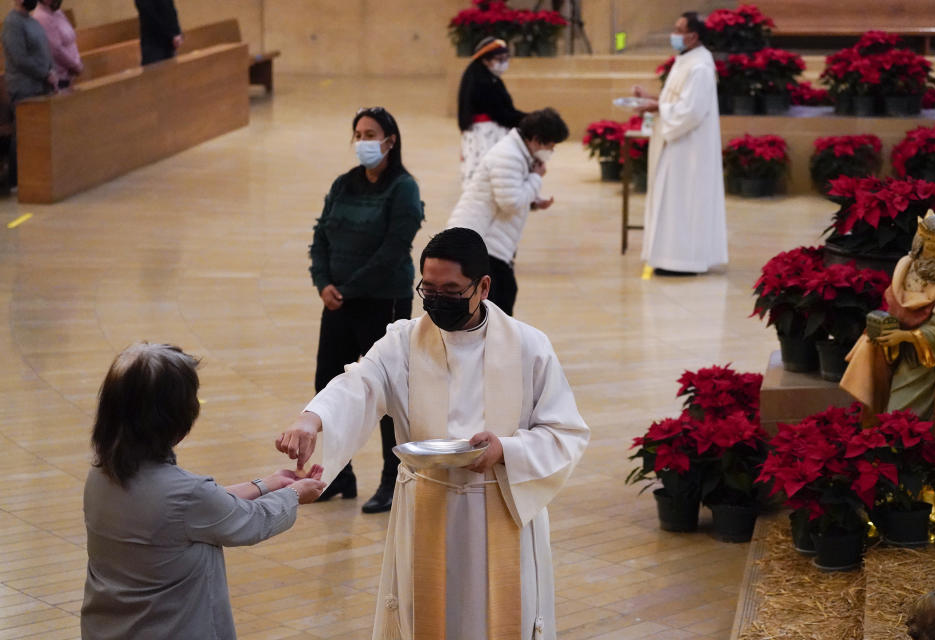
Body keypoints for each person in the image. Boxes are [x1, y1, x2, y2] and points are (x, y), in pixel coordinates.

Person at [277, 227, 590, 640]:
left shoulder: (529, 346)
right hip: (426, 503)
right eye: (429, 289)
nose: (438, 300)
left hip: (500, 505)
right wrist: (312, 419)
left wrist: (507, 450)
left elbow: (564, 431)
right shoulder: (404, 341)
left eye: (452, 290)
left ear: (483, 286)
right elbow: (361, 383)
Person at [81, 343, 327, 640]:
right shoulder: (187, 497)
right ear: (176, 420)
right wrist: (296, 494)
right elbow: (249, 521)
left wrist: (268, 484)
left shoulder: (101, 475)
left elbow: (204, 509)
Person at [309, 106, 424, 513]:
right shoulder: (344, 184)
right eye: (357, 134)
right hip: (338, 300)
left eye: (370, 134)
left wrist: (349, 287)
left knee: (387, 394)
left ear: (390, 140)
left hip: (382, 301)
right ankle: (339, 476)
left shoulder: (403, 188)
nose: (362, 142)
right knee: (328, 383)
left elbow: (394, 250)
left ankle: (392, 481)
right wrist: (322, 282)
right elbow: (320, 235)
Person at [842, 212, 935, 436]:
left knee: (904, 414)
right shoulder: (905, 267)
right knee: (892, 412)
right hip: (900, 353)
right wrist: (882, 328)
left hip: (931, 362)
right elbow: (894, 305)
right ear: (918, 244)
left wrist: (905, 337)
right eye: (931, 248)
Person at [446, 108, 568, 316]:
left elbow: (507, 194)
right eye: (551, 145)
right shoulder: (508, 156)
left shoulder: (518, 153)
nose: (552, 151)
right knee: (496, 306)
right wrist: (536, 178)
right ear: (537, 140)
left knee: (502, 299)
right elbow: (510, 202)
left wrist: (534, 202)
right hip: (482, 241)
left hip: (490, 242)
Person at [633, 11, 727, 276]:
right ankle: (667, 257)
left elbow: (691, 112)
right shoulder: (685, 60)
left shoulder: (700, 67)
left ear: (693, 35)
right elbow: (674, 102)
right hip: (675, 143)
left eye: (678, 29)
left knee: (683, 202)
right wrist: (651, 101)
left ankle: (683, 261)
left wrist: (656, 106)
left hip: (689, 148)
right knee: (670, 202)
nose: (673, 35)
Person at [457, 36, 527, 187]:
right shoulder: (480, 81)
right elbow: (500, 113)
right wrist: (528, 120)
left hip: (492, 133)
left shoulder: (492, 79)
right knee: (483, 179)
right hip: (483, 136)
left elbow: (507, 110)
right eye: (499, 59)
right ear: (485, 60)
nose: (503, 63)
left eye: (506, 58)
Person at [1, 0, 56, 189]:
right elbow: (20, 59)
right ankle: (16, 179)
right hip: (24, 88)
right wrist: (45, 73)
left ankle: (39, 176)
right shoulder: (12, 23)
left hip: (41, 85)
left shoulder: (32, 22)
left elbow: (44, 51)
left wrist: (52, 71)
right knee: (23, 134)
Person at [33, 0, 82, 89]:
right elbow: (55, 50)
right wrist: (75, 66)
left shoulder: (57, 12)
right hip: (59, 77)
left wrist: (77, 61)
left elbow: (71, 39)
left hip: (71, 73)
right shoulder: (41, 17)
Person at [134, 0, 182, 65]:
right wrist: (173, 33)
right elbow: (151, 13)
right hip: (154, 40)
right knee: (155, 70)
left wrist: (175, 32)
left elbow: (169, 8)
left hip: (163, 39)